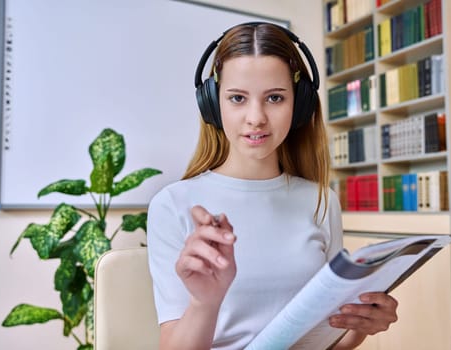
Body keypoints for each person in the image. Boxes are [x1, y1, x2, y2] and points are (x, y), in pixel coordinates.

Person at [147, 22, 398, 350]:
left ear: (299, 105)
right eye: (237, 98)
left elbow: (330, 341)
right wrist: (204, 303)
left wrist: (360, 326)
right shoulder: (173, 204)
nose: (256, 117)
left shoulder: (321, 201)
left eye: (275, 98)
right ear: (212, 103)